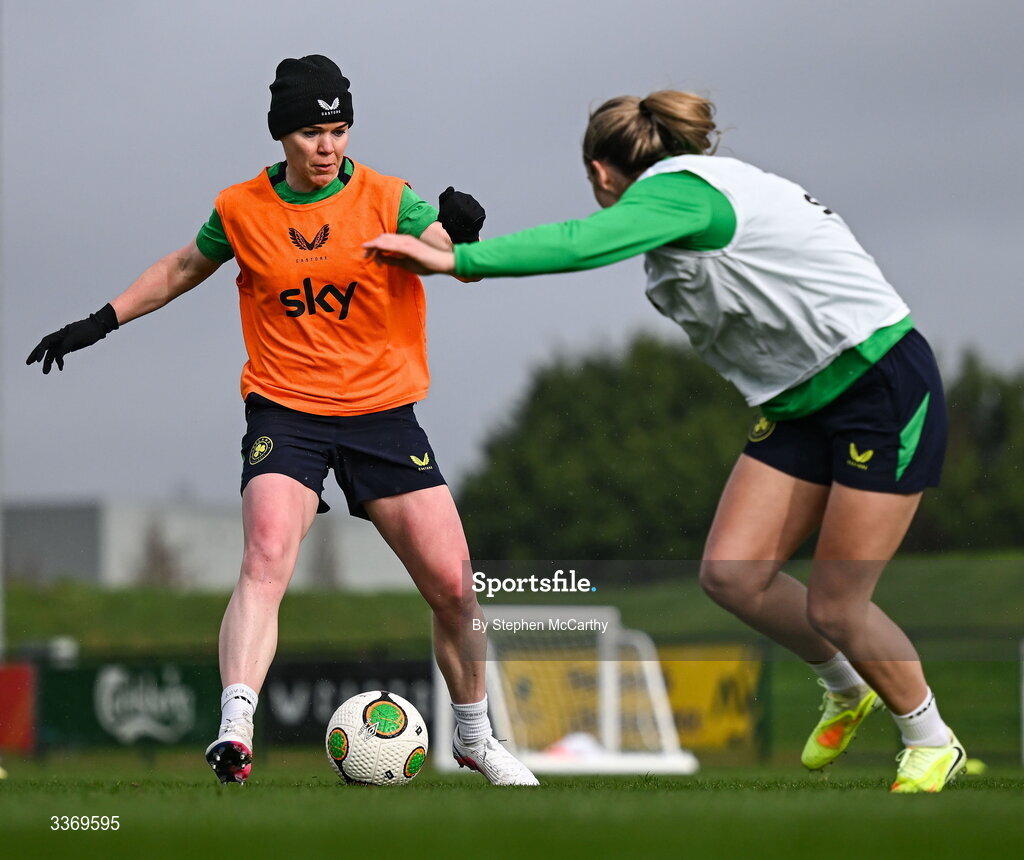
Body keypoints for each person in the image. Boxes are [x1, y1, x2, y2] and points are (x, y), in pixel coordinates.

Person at [364, 90, 967, 793]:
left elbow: (579, 244)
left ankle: (930, 738)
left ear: (600, 171)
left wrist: (455, 259)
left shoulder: (680, 197)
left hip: (878, 384)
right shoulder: (688, 196)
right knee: (734, 575)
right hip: (804, 401)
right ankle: (845, 685)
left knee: (838, 605)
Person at [27, 54, 538, 788]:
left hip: (381, 412)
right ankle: (236, 728)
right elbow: (180, 268)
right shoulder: (241, 209)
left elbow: (455, 262)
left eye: (337, 128)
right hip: (286, 408)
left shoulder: (390, 197)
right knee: (266, 554)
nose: (326, 145)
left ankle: (474, 738)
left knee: (456, 590)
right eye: (309, 131)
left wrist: (460, 239)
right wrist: (100, 321)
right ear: (281, 136)